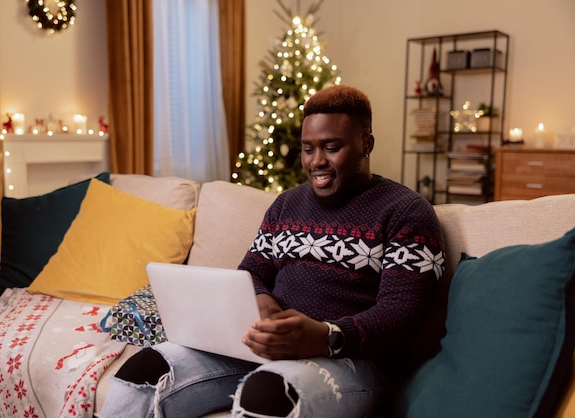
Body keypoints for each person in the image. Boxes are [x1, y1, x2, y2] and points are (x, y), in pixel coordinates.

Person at [100, 85, 445, 418]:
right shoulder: (287, 205)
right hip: (263, 349)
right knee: (147, 367)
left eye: (331, 147)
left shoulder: (406, 212)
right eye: (308, 149)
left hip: (351, 361)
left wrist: (324, 338)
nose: (317, 161)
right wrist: (261, 299)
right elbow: (251, 271)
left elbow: (401, 314)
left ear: (365, 145)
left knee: (268, 394)